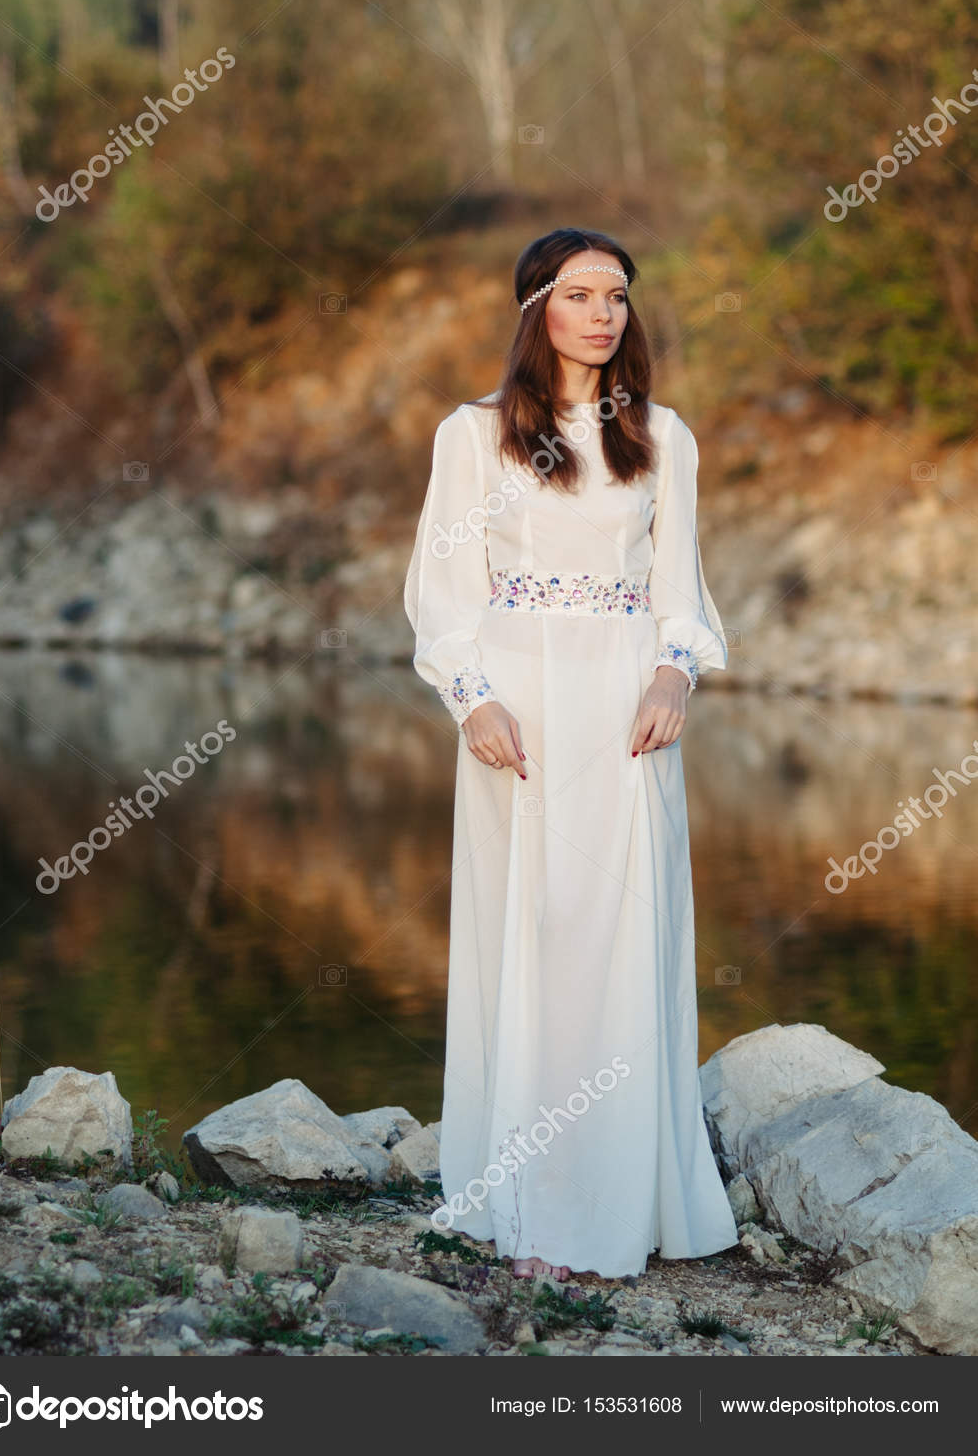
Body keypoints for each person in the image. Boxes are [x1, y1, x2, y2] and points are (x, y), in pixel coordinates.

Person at [403, 226, 738, 1282]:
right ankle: (534, 1203)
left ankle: (626, 1203)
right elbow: (437, 592)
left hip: (628, 712)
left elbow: (681, 592)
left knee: (622, 938)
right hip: (519, 711)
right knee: (536, 937)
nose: (605, 312)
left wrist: (673, 672)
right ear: (535, 306)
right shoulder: (472, 435)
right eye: (582, 292)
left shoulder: (663, 436)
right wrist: (472, 699)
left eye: (619, 296)